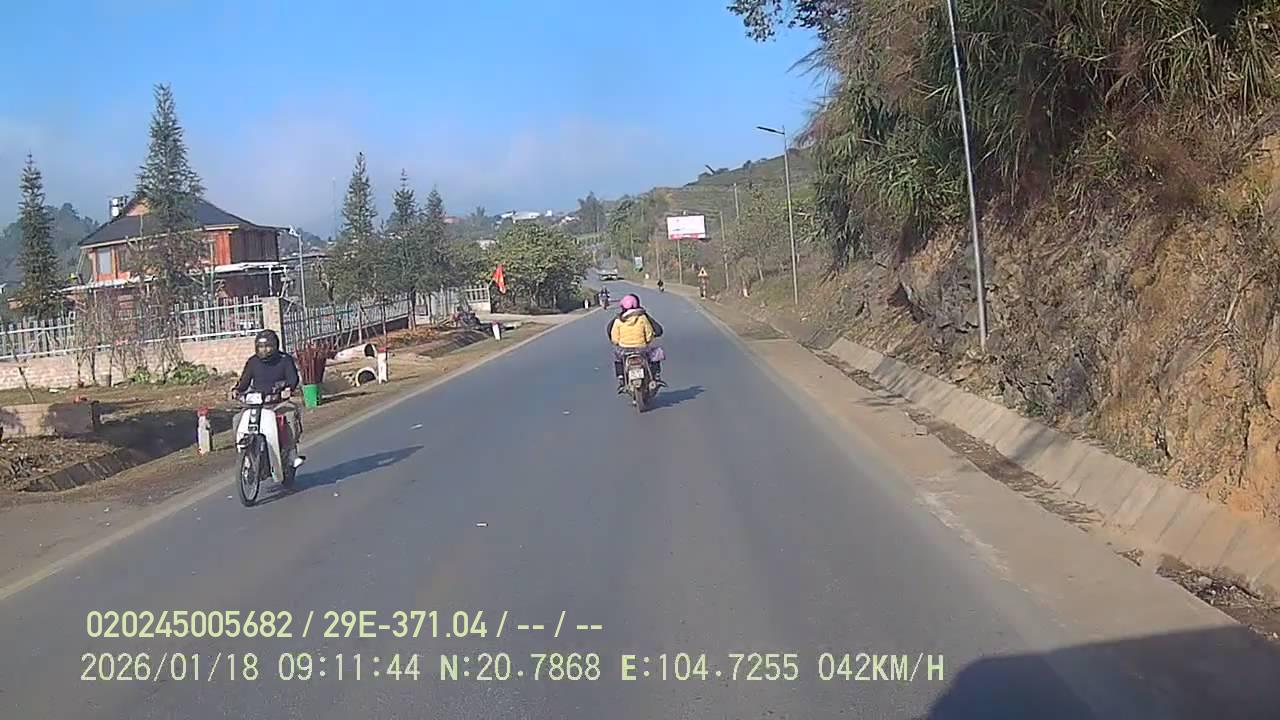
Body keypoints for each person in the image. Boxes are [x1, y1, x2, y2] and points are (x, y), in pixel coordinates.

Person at [230, 329, 304, 468]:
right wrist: (237, 390)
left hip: (278, 402)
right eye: (261, 347)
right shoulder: (253, 362)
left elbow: (293, 379)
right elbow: (244, 381)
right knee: (237, 420)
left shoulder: (284, 359)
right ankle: (244, 455)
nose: (264, 350)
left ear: (275, 346)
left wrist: (288, 389)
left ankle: (291, 453)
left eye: (268, 346)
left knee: (290, 416)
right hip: (257, 404)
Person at [607, 293, 665, 391]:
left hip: (624, 350)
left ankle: (621, 377)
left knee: (617, 358)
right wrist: (647, 341)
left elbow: (615, 338)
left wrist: (618, 343)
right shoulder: (642, 318)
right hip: (641, 349)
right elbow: (649, 333)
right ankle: (656, 375)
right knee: (657, 352)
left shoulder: (618, 320)